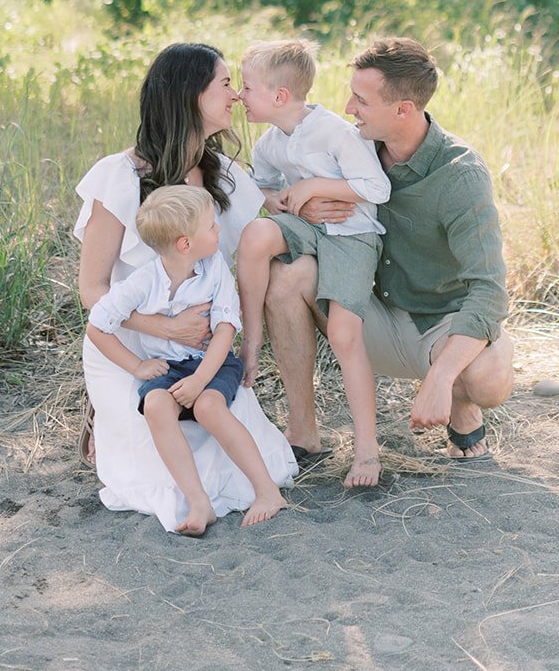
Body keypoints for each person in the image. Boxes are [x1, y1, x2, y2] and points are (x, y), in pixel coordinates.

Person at [75, 42, 296, 532]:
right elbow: (92, 288)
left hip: (202, 348)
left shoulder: (225, 176)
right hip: (131, 343)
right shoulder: (120, 176)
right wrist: (162, 328)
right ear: (189, 95)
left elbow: (251, 254)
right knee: (160, 482)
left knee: (252, 461)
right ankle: (104, 414)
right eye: (225, 84)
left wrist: (247, 340)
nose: (236, 95)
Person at [264, 36, 514, 463]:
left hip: (438, 325)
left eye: (361, 100)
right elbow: (282, 194)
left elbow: (490, 291)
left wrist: (441, 376)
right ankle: (303, 430)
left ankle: (461, 401)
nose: (348, 108)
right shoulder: (346, 147)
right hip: (367, 314)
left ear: (403, 109)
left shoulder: (461, 175)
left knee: (486, 380)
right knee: (287, 274)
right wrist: (302, 207)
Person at [87, 185, 287, 534]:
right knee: (155, 406)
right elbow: (97, 326)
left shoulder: (215, 268)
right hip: (169, 368)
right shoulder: (144, 281)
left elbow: (225, 330)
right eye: (211, 226)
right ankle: (198, 501)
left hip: (213, 362)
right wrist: (137, 366)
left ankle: (267, 491)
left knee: (209, 407)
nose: (218, 229)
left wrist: (199, 380)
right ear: (185, 244)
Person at [236, 39, 390, 488]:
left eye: (247, 87)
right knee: (256, 234)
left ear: (279, 96)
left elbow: (377, 189)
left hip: (352, 236)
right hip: (308, 227)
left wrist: (315, 187)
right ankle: (252, 336)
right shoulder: (269, 144)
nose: (239, 96)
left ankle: (366, 449)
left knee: (344, 333)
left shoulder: (335, 133)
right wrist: (278, 201)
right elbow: (260, 186)